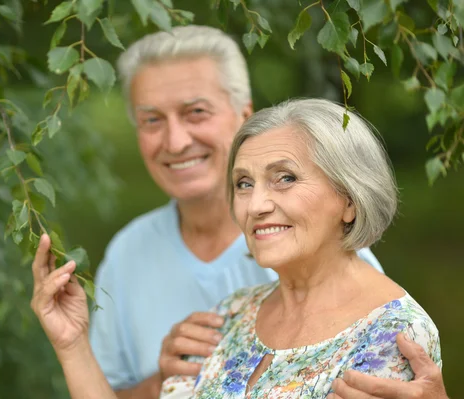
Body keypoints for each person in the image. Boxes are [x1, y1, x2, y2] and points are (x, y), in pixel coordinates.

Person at [32, 25, 449, 399]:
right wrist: (74, 347)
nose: (257, 205)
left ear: (349, 200)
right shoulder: (230, 312)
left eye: (285, 178)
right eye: (244, 184)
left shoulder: (383, 328)